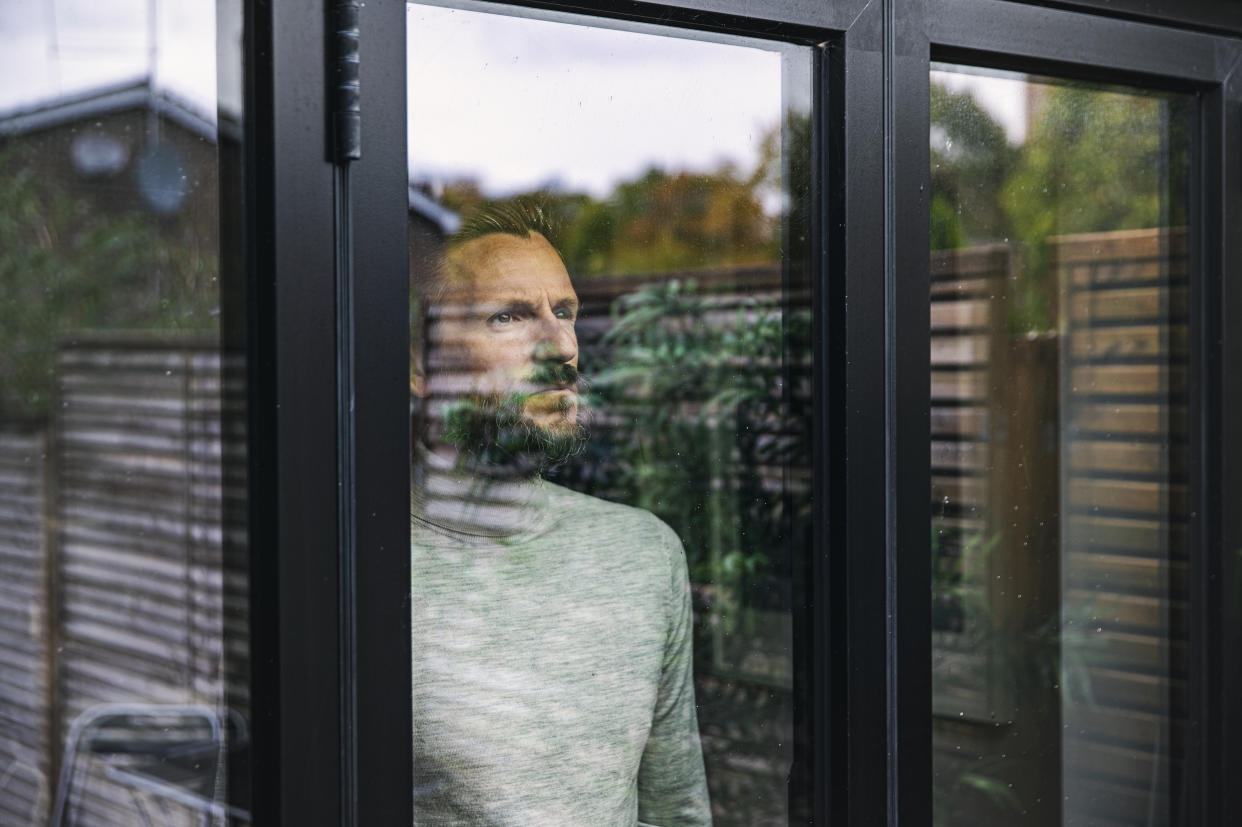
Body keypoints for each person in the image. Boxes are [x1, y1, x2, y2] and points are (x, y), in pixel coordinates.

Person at [409, 200, 712, 825]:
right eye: (509, 316)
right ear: (415, 364)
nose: (564, 346)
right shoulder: (352, 560)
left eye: (566, 312)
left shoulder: (642, 555)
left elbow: (675, 808)